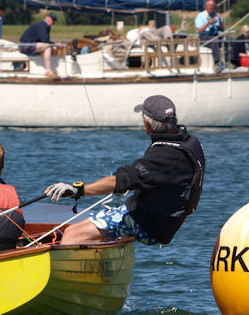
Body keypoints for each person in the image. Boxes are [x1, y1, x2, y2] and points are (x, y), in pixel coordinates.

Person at [44, 95, 205, 246]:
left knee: (72, 235)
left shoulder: (164, 156)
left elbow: (122, 180)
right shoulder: (190, 142)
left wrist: (77, 190)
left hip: (149, 224)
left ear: (147, 125)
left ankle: (72, 274)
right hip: (162, 219)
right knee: (78, 228)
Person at [195, 0, 231, 71]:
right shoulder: (200, 16)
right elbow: (199, 30)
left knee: (230, 39)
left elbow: (223, 29)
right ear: (205, 7)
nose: (211, 7)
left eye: (213, 6)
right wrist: (208, 23)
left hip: (216, 35)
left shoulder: (216, 15)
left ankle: (230, 61)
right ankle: (217, 63)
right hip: (204, 37)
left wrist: (220, 20)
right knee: (216, 41)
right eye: (209, 5)